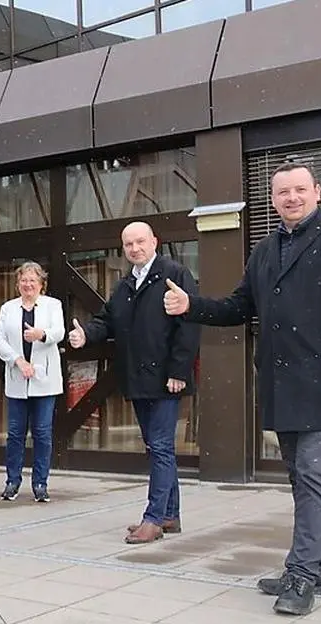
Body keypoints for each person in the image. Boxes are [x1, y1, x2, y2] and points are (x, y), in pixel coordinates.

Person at [164, 161, 321, 616]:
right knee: (303, 482)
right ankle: (316, 568)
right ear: (272, 199)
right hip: (283, 387)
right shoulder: (265, 250)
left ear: (317, 192)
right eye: (282, 192)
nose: (292, 198)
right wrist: (192, 306)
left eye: (300, 190)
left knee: (312, 476)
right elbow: (238, 307)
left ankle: (302, 575)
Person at [68, 221, 199, 545]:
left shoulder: (175, 274)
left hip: (167, 380)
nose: (135, 248)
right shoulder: (125, 284)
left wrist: (179, 372)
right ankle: (170, 514)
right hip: (138, 380)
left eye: (140, 241)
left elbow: (189, 328)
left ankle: (153, 519)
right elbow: (107, 320)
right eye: (128, 244)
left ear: (154, 241)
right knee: (157, 448)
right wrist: (85, 334)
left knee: (161, 448)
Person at [0, 261, 65, 503]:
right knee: (15, 433)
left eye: (33, 280)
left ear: (41, 284)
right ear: (17, 284)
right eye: (24, 280)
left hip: (44, 380)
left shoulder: (53, 305)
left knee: (43, 433)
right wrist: (17, 361)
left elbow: (59, 332)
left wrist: (40, 334)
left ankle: (40, 483)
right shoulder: (8, 308)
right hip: (17, 379)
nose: (28, 284)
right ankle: (12, 481)